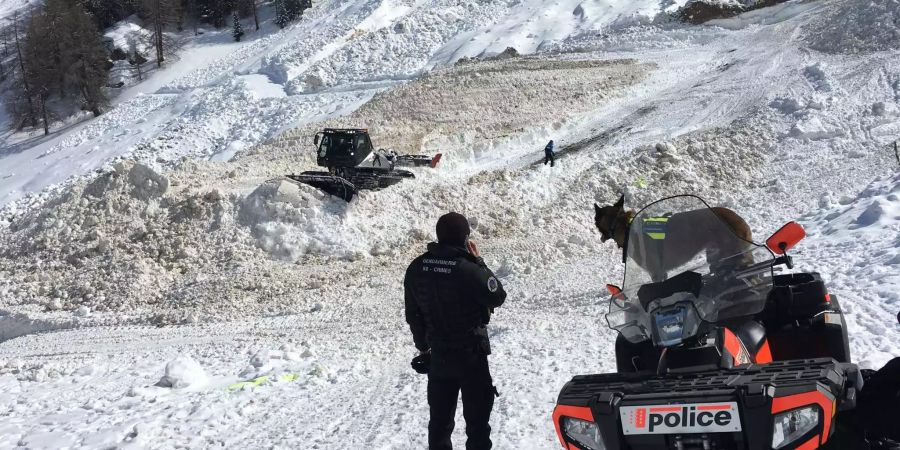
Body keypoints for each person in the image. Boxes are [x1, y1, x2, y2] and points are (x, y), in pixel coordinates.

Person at [405, 212, 507, 450]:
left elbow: (413, 315)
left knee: (439, 425)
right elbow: (497, 296)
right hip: (471, 357)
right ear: (464, 239)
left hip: (439, 357)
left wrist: (423, 349)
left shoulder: (417, 267)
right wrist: (479, 262)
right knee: (478, 427)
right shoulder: (468, 268)